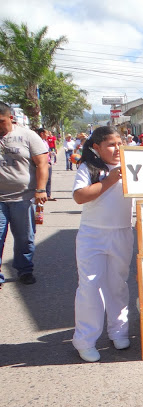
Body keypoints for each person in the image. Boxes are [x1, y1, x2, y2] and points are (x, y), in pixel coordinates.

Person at [71, 126, 134, 362]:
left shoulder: (131, 166)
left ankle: (119, 331)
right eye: (110, 145)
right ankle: (85, 340)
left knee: (118, 284)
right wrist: (109, 180)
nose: (117, 149)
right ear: (96, 147)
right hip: (93, 235)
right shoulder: (88, 167)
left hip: (122, 233)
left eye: (119, 143)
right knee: (90, 286)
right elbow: (80, 196)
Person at [0, 102, 49, 287]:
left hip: (23, 197)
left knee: (24, 238)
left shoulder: (27, 136)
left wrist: (41, 189)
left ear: (11, 118)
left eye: (1, 121)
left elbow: (42, 163)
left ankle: (25, 270)